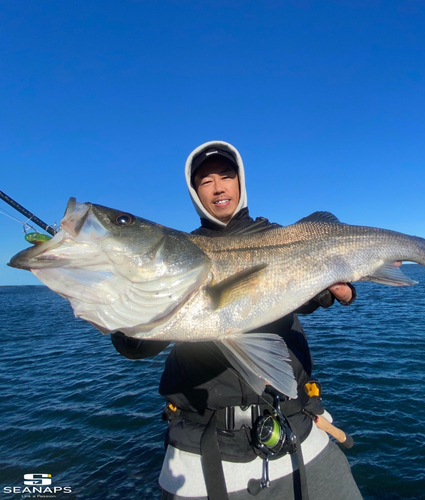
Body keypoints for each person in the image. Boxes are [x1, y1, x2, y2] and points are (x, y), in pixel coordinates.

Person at [111, 141, 362, 500]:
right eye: (205, 181)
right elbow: (138, 345)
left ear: (241, 181)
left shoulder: (280, 235)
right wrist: (123, 317)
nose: (218, 187)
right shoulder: (178, 252)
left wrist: (333, 291)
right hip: (203, 446)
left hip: (296, 427)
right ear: (194, 192)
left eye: (227, 176)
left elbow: (306, 296)